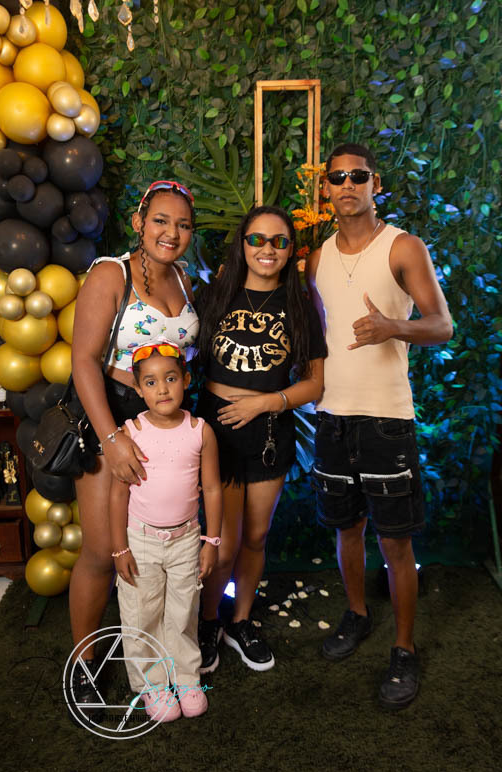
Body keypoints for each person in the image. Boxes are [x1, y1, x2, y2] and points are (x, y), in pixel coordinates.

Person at [305, 143, 453, 710]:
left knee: (395, 540)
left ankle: (404, 648)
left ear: (375, 183)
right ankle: (357, 614)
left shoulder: (402, 246)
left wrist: (394, 326)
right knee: (346, 529)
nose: (347, 184)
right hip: (331, 417)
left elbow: (442, 324)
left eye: (358, 176)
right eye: (337, 176)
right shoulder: (316, 258)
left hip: (387, 418)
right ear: (325, 188)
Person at [69, 180, 199, 712]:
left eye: (183, 224)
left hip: (165, 426)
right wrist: (111, 438)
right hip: (113, 417)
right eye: (161, 220)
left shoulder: (185, 279)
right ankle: (83, 664)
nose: (172, 233)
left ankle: (164, 655)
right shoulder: (111, 273)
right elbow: (83, 361)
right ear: (139, 222)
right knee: (104, 549)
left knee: (156, 547)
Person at [196, 205, 327, 672]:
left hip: (270, 429)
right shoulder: (215, 296)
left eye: (279, 241)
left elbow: (315, 384)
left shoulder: (300, 306)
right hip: (219, 430)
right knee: (224, 542)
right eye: (257, 239)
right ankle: (208, 621)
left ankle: (240, 622)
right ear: (242, 245)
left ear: (290, 251)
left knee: (256, 535)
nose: (267, 249)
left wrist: (264, 403)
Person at [109, 341, 221, 720]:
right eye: (151, 382)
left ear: (186, 380)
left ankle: (186, 678)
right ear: (138, 389)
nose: (162, 389)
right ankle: (153, 684)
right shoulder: (131, 432)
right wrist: (120, 549)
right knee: (142, 613)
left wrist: (211, 541)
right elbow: (118, 494)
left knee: (183, 612)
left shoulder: (200, 431)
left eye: (171, 379)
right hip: (141, 539)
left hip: (186, 539)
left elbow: (213, 489)